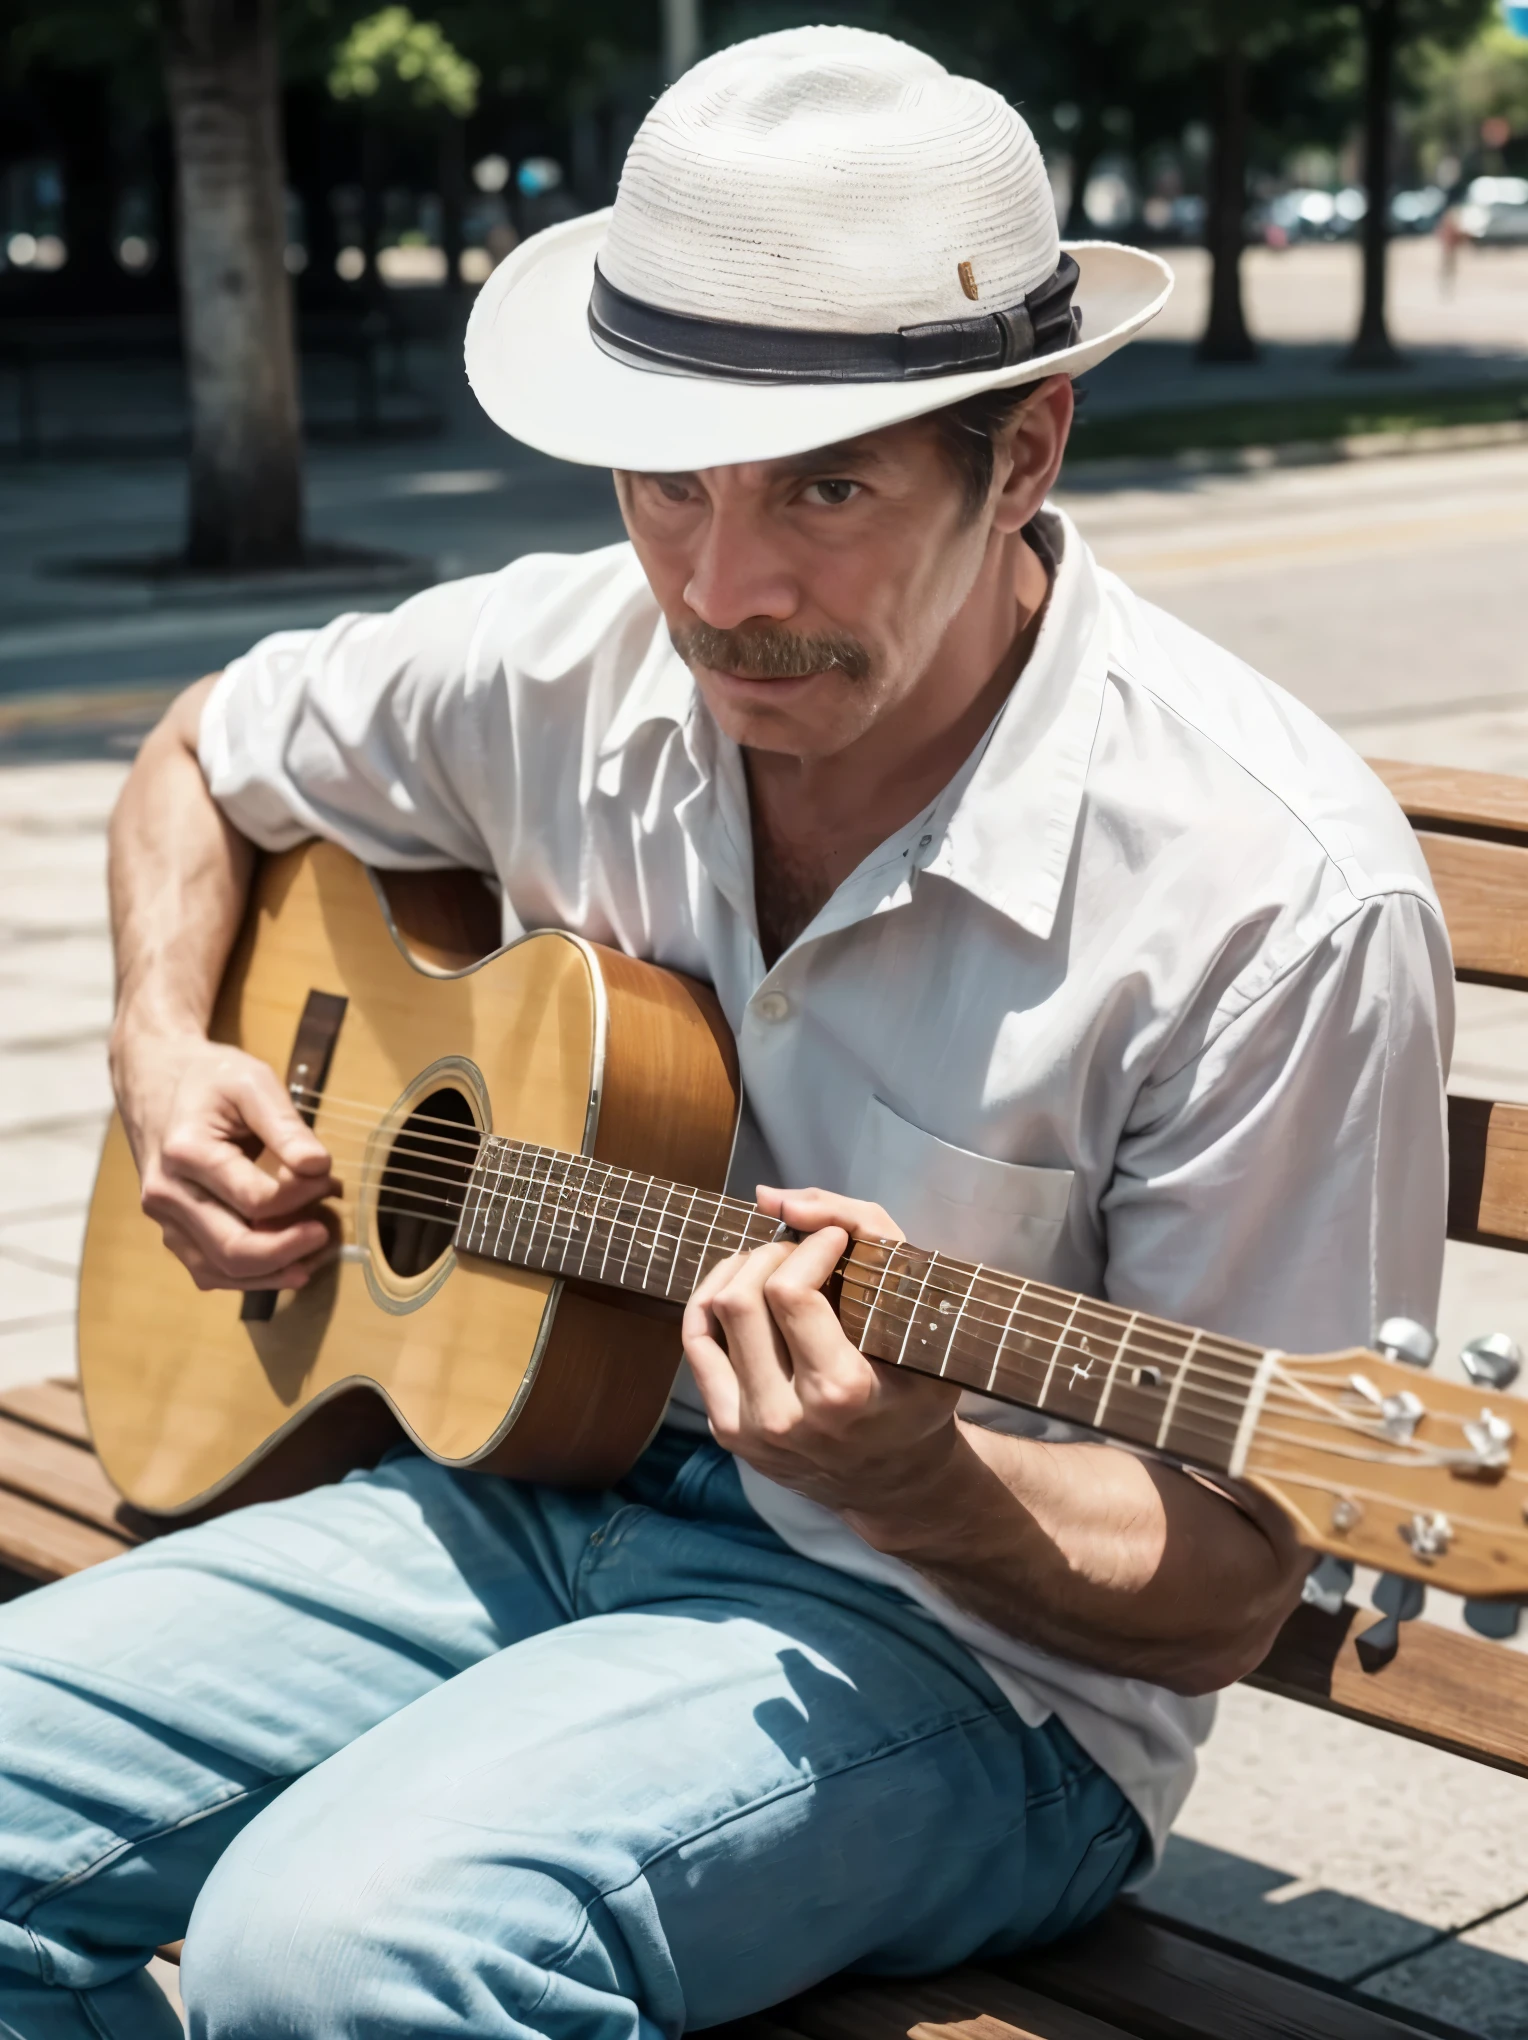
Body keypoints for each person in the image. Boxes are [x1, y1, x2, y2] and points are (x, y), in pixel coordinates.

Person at [0, 26, 1450, 2040]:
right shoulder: (561, 654)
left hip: (962, 1658)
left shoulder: (1269, 895)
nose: (720, 583)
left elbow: (1230, 1578)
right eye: (664, 482)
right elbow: (204, 755)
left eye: (824, 489)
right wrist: (166, 1050)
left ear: (1020, 452)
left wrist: (917, 1471)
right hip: (516, 1482)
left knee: (331, 1956)